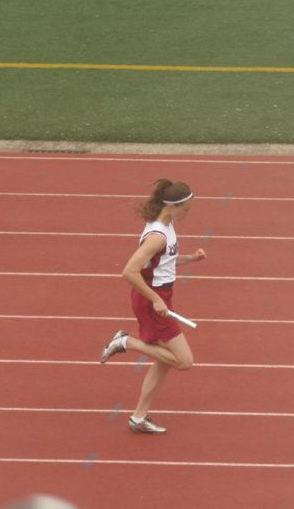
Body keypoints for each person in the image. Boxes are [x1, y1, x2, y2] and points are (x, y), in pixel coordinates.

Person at [100, 179, 207, 433]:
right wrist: (156, 299)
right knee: (184, 361)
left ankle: (139, 417)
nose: (187, 213)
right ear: (172, 206)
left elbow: (164, 262)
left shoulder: (166, 227)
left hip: (161, 298)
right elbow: (130, 271)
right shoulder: (157, 236)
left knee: (164, 362)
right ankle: (126, 342)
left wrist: (191, 258)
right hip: (152, 301)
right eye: (186, 209)